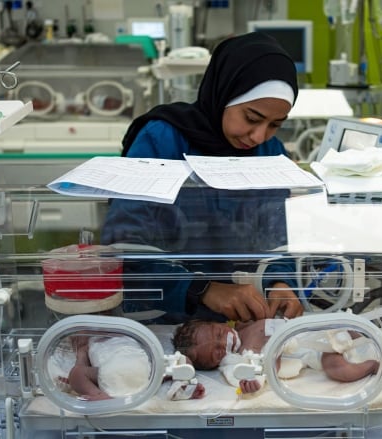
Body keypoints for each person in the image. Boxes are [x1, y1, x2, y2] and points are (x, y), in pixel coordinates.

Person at [100, 32, 306, 323]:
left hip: (243, 319)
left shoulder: (270, 153)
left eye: (275, 124)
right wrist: (202, 290)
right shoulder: (161, 140)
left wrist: (281, 283)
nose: (259, 135)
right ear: (223, 94)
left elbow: (278, 238)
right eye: (251, 118)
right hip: (162, 316)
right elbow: (124, 246)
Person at [172, 319, 380, 394]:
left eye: (218, 333)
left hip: (313, 327)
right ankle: (373, 366)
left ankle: (370, 338)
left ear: (221, 322)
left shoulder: (242, 325)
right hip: (318, 348)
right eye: (217, 351)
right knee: (337, 369)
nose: (224, 342)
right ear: (213, 364)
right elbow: (265, 368)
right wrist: (254, 383)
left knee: (353, 326)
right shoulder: (240, 360)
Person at [66, 334, 206, 401]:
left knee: (77, 373)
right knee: (181, 362)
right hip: (141, 370)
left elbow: (79, 369)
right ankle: (183, 385)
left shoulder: (92, 341)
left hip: (136, 368)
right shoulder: (92, 342)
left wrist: (81, 354)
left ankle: (182, 386)